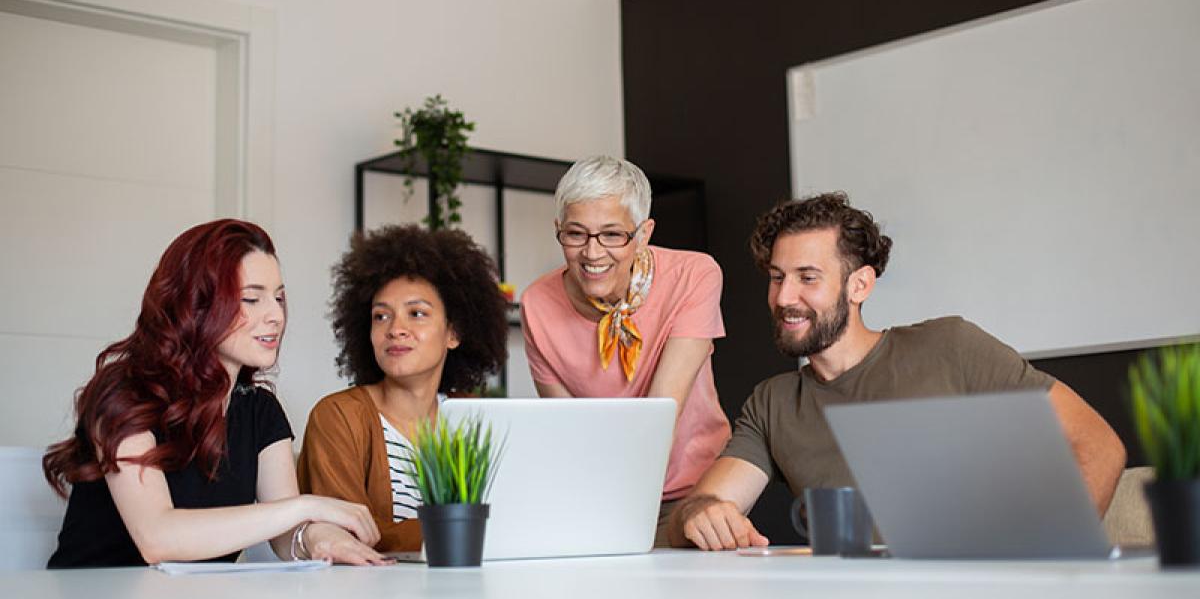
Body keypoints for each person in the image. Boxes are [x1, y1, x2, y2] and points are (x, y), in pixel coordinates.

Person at [669, 192, 1127, 550]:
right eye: (776, 277)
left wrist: (1050, 565)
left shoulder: (951, 346)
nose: (785, 297)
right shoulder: (773, 402)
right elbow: (703, 506)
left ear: (859, 284)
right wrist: (701, 515)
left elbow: (1099, 446)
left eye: (808, 278)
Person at [42, 219, 387, 568]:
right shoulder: (121, 396)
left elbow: (286, 534)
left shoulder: (259, 409)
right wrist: (307, 505)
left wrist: (323, 538)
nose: (276, 315)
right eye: (251, 298)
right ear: (196, 305)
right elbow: (157, 539)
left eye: (279, 297)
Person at [521, 155, 731, 546]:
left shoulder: (695, 276)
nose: (592, 253)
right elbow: (567, 431)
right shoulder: (536, 303)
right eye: (576, 234)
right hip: (601, 494)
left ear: (643, 233)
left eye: (613, 235)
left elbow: (661, 415)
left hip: (695, 491)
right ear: (559, 230)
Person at [297, 225, 508, 552]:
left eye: (417, 314)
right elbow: (346, 536)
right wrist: (457, 530)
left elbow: (510, 519)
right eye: (381, 316)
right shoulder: (338, 417)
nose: (396, 329)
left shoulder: (472, 419)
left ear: (453, 333)